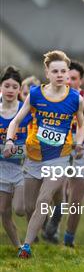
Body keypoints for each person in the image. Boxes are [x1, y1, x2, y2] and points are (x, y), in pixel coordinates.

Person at [5, 50, 84, 258]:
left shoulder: (76, 99)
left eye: (63, 71)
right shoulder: (35, 94)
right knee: (28, 207)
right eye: (55, 71)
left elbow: (82, 125)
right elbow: (15, 121)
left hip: (60, 156)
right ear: (47, 73)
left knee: (44, 198)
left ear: (68, 74)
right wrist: (10, 140)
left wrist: (78, 142)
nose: (59, 75)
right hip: (34, 156)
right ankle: (55, 210)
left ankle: (26, 246)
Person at [43, 60, 84, 246]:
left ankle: (69, 239)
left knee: (76, 199)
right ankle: (53, 223)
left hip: (80, 146)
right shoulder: (52, 95)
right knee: (55, 190)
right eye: (66, 77)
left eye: (73, 78)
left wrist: (78, 124)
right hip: (57, 145)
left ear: (80, 81)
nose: (69, 81)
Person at [0, 66, 31, 248]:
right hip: (2, 169)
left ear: (20, 90)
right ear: (1, 88)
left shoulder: (24, 111)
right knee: (3, 211)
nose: (10, 90)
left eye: (14, 87)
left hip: (22, 168)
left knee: (19, 209)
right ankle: (20, 247)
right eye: (7, 86)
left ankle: (39, 214)